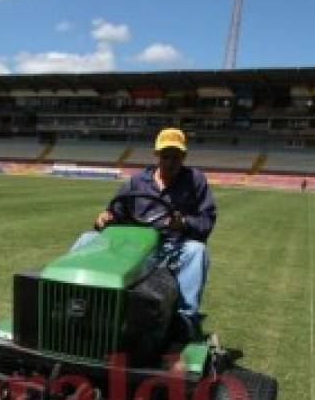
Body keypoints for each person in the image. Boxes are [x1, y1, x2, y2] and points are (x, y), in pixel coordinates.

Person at [70, 127, 217, 340]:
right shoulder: (136, 181)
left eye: (176, 156)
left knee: (197, 251)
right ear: (156, 155)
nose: (171, 161)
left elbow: (207, 220)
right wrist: (104, 218)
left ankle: (185, 319)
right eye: (166, 156)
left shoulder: (195, 181)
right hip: (132, 245)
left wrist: (183, 223)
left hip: (171, 247)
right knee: (88, 238)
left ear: (184, 156)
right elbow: (115, 211)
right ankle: (74, 298)